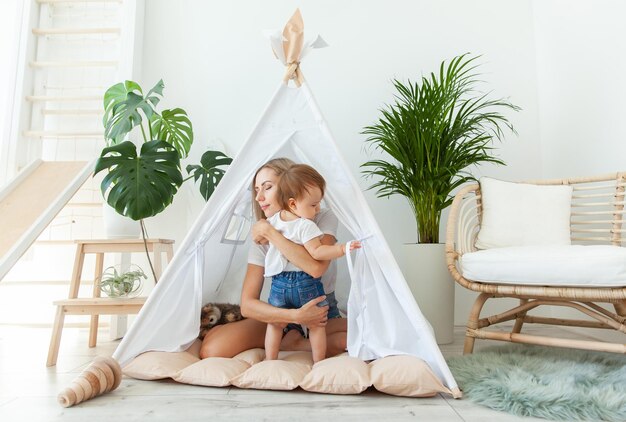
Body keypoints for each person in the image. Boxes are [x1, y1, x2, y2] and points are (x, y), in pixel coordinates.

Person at [199, 158, 348, 359]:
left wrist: (272, 233)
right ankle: (294, 340)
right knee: (212, 349)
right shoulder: (262, 233)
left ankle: (297, 343)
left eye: (267, 188)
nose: (259, 197)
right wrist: (293, 316)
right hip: (280, 311)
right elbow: (248, 304)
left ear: (290, 188)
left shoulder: (320, 216)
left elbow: (315, 268)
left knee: (353, 338)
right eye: (257, 189)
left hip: (320, 311)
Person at [263, 164, 360, 363]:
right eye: (313, 205)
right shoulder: (305, 225)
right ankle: (318, 362)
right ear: (292, 204)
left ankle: (270, 361)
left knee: (274, 324)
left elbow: (262, 239)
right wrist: (343, 248)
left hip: (278, 284)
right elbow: (318, 252)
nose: (317, 210)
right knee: (317, 325)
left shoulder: (273, 221)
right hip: (304, 284)